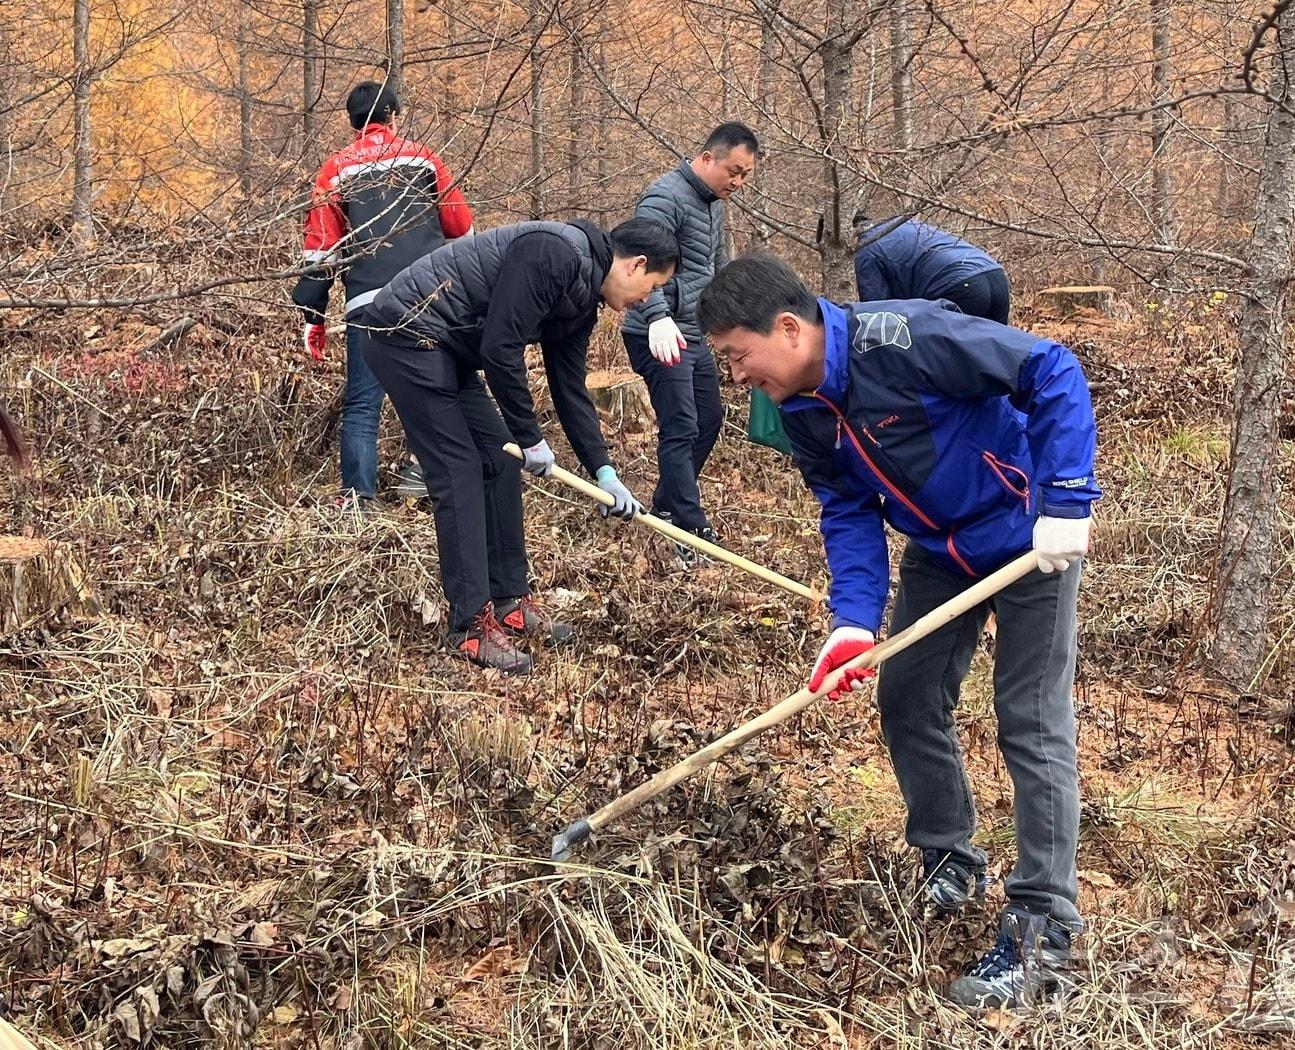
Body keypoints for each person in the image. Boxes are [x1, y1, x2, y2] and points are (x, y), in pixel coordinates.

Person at [697, 254, 1101, 1010]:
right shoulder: (801, 409)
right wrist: (852, 623)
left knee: (1030, 721)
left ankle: (1045, 928)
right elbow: (846, 509)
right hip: (940, 551)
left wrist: (1067, 500)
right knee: (908, 696)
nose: (739, 375)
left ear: (788, 329)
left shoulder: (906, 338)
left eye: (738, 355)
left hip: (1027, 538)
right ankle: (949, 857)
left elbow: (1051, 368)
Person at [359, 218, 678, 675]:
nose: (647, 299)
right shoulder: (553, 254)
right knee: (460, 469)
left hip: (448, 349)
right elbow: (501, 347)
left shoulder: (582, 299)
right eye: (652, 287)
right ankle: (469, 625)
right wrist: (529, 436)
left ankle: (509, 599)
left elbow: (570, 389)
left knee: (499, 462)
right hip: (405, 334)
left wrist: (604, 471)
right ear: (636, 265)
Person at [292, 81, 474, 510]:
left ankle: (358, 500)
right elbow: (461, 226)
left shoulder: (335, 170)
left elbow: (322, 248)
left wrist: (312, 314)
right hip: (427, 295)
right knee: (431, 388)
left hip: (367, 303)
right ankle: (424, 476)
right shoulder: (425, 158)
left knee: (361, 403)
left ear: (353, 122)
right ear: (393, 115)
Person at [621, 122, 759, 564]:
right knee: (680, 425)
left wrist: (741, 312)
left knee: (709, 420)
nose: (737, 182)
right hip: (656, 332)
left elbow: (718, 266)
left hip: (693, 331)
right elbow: (638, 263)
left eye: (745, 176)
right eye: (733, 171)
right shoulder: (664, 197)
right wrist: (658, 317)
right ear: (706, 159)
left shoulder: (713, 204)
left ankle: (665, 503)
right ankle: (688, 527)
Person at [854, 215, 1010, 324]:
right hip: (995, 275)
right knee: (996, 357)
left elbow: (877, 311)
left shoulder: (865, 248)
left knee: (947, 361)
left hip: (959, 285)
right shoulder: (901, 223)